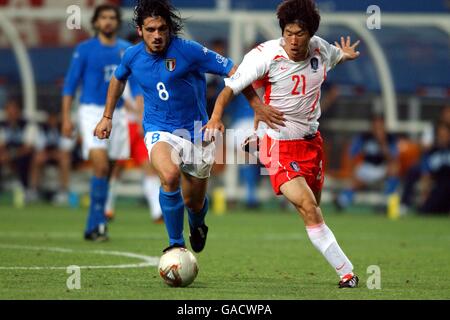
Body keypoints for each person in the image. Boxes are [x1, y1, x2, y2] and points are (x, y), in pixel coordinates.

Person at [204, 0, 360, 288]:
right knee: (309, 207)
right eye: (288, 32)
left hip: (311, 143)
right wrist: (216, 117)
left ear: (310, 33)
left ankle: (257, 149)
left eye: (300, 33)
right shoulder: (265, 55)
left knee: (313, 208)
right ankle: (347, 273)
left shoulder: (320, 49)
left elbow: (335, 56)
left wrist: (346, 55)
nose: (293, 40)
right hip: (278, 143)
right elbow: (229, 86)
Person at [93, 0, 263, 253]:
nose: (157, 35)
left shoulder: (189, 51)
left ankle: (197, 225)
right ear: (140, 30)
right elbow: (118, 79)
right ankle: (175, 245)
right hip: (158, 128)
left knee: (193, 202)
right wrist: (107, 116)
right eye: (150, 30)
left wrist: (254, 106)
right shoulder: (131, 55)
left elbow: (234, 71)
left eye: (162, 29)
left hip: (196, 132)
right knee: (170, 176)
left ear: (170, 29)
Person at [61, 4, 131, 241]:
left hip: (118, 114)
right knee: (100, 166)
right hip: (91, 111)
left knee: (110, 170)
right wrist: (66, 119)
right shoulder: (85, 49)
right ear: (96, 22)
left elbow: (139, 84)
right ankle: (99, 223)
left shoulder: (126, 50)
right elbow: (70, 85)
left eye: (112, 17)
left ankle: (93, 225)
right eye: (104, 18)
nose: (108, 22)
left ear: (117, 22)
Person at [104, 33, 163, 224]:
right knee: (116, 167)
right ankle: (107, 208)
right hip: (125, 123)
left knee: (149, 166)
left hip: (140, 123)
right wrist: (139, 119)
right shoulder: (125, 68)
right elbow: (122, 96)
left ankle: (156, 211)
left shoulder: (151, 68)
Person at [335, 116, 400, 211]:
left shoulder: (390, 138)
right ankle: (342, 201)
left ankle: (387, 202)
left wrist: (382, 143)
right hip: (367, 167)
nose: (378, 128)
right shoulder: (364, 137)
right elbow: (352, 154)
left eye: (380, 125)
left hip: (382, 167)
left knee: (394, 169)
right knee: (356, 179)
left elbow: (393, 158)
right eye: (375, 125)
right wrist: (351, 172)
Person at [29, 112, 73, 205]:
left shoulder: (63, 129)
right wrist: (48, 154)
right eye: (50, 119)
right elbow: (39, 148)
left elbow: (66, 149)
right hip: (47, 156)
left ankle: (63, 191)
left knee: (65, 159)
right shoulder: (42, 129)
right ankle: (34, 190)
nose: (52, 121)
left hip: (59, 156)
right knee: (37, 158)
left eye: (54, 118)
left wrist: (53, 154)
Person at [0, 100, 36, 199]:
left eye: (14, 111)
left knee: (26, 159)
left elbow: (28, 147)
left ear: (19, 111)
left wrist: (12, 155)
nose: (12, 114)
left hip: (22, 156)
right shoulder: (2, 125)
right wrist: (5, 155)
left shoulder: (27, 125)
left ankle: (27, 190)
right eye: (9, 111)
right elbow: (1, 145)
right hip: (6, 155)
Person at [417, 121, 450, 214]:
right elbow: (425, 174)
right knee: (425, 212)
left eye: (445, 135)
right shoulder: (431, 152)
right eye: (440, 135)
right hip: (438, 188)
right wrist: (424, 194)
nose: (442, 138)